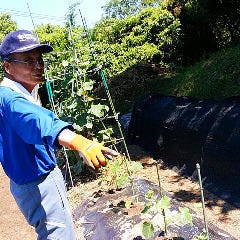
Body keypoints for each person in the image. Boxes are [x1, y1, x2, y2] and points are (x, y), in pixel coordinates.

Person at [0, 30, 118, 240]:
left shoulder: (23, 90)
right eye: (28, 60)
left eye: (39, 59)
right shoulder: (10, 99)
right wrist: (78, 141)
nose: (38, 66)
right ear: (7, 66)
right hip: (38, 183)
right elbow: (37, 120)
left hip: (29, 179)